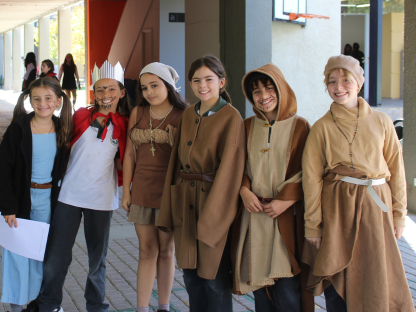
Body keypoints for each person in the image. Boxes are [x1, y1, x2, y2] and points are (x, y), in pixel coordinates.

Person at [302, 55, 412, 312]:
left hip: (376, 208)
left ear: (359, 83)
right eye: (331, 81)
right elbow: (311, 178)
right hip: (337, 208)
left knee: (375, 273)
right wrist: (313, 225)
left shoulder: (382, 121)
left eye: (346, 80)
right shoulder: (321, 127)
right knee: (336, 272)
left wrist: (399, 215)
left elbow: (397, 171)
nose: (338, 87)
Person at [37, 61, 130, 312]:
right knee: (56, 255)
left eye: (111, 89)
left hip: (101, 198)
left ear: (122, 92)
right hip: (69, 195)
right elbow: (60, 144)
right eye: (100, 89)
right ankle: (49, 303)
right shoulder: (80, 116)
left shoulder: (125, 124)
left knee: (97, 259)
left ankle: (96, 305)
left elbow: (125, 161)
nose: (105, 94)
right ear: (93, 92)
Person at [157, 55, 246, 312]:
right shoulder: (188, 114)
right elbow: (176, 163)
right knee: (191, 279)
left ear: (221, 82)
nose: (202, 85)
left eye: (209, 79)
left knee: (214, 280)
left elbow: (231, 171)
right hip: (186, 204)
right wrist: (169, 207)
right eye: (196, 81)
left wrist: (215, 215)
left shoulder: (231, 117)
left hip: (213, 205)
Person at [231, 64, 314, 312]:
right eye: (256, 91)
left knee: (287, 289)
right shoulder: (246, 126)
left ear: (281, 89)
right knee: (261, 289)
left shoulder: (300, 126)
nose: (263, 95)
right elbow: (237, 166)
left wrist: (286, 200)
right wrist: (244, 191)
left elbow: (309, 172)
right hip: (254, 216)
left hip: (285, 217)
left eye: (269, 88)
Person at [0, 78, 73, 312]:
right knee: (17, 256)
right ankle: (17, 307)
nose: (42, 103)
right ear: (29, 101)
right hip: (21, 201)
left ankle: (39, 305)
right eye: (36, 99)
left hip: (49, 202)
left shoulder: (63, 129)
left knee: (42, 257)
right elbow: (2, 171)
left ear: (58, 101)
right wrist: (8, 206)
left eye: (48, 98)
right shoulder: (18, 129)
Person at [121, 63, 187, 312]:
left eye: (154, 85)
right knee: (146, 250)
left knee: (167, 251)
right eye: (144, 88)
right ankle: (142, 308)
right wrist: (126, 191)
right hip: (142, 190)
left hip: (170, 193)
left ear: (168, 85)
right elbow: (129, 154)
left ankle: (164, 306)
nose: (149, 92)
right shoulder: (138, 112)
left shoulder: (184, 114)